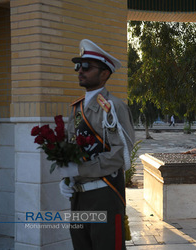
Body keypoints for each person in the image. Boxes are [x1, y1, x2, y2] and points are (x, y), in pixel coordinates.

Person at [56, 39, 135, 250]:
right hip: (79, 196)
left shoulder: (114, 107)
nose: (80, 71)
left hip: (105, 195)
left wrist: (78, 169)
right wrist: (68, 178)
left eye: (86, 67)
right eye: (78, 66)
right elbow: (73, 149)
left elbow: (121, 154)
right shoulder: (76, 109)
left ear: (104, 73)